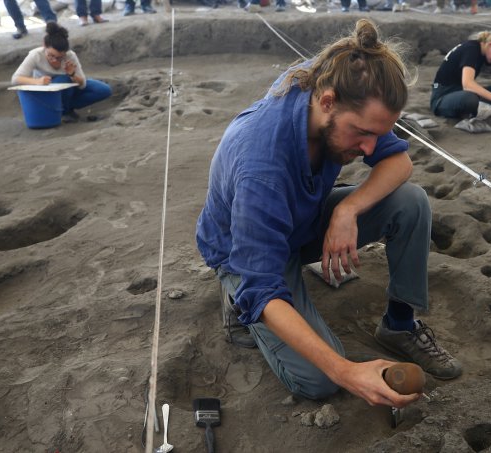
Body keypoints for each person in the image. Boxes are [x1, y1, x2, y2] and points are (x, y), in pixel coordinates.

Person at [196, 19, 462, 408]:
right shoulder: (261, 169)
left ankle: (399, 326)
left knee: (411, 202)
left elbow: (400, 164)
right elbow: (264, 285)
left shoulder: (335, 86)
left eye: (377, 134)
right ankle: (236, 300)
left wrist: (348, 210)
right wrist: (346, 370)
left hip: (301, 215)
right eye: (361, 134)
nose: (370, 149)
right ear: (327, 102)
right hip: (246, 248)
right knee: (319, 382)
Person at [11, 22, 112, 120]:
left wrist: (72, 74)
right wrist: (37, 81)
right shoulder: (36, 55)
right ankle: (64, 111)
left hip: (68, 88)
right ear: (44, 46)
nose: (54, 60)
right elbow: (15, 79)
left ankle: (65, 108)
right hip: (47, 91)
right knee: (63, 78)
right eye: (51, 55)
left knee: (103, 90)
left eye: (59, 57)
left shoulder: (70, 56)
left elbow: (82, 84)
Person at [430, 28, 491, 123]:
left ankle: (479, 108)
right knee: (469, 98)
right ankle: (478, 108)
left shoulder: (487, 51)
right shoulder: (471, 49)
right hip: (442, 97)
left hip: (461, 92)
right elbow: (468, 84)